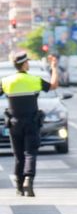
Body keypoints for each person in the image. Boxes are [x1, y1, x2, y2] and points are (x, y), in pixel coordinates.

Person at [3, 51, 60, 196]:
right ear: (23, 64)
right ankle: (29, 179)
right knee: (30, 153)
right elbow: (54, 85)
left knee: (18, 155)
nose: (28, 63)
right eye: (27, 62)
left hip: (14, 123)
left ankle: (19, 187)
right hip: (31, 122)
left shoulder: (6, 81)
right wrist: (54, 67)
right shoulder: (34, 80)